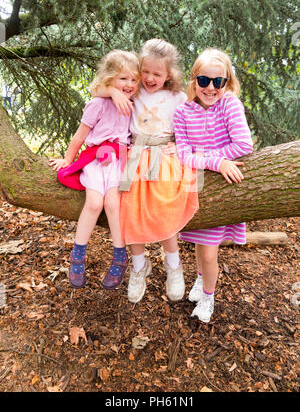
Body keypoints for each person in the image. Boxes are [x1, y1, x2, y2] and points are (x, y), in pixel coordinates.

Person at [92, 39, 199, 304]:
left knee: (164, 209)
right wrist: (113, 92)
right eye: (146, 72)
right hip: (134, 157)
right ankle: (139, 266)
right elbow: (97, 87)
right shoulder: (133, 91)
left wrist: (180, 145)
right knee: (128, 212)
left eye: (157, 73)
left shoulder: (178, 97)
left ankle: (173, 265)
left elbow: (193, 127)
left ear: (169, 74)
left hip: (164, 158)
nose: (150, 78)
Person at [173, 47, 253, 323]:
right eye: (203, 80)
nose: (210, 87)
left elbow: (244, 144)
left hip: (220, 191)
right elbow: (183, 155)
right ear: (194, 80)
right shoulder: (182, 112)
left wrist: (208, 160)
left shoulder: (230, 104)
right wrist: (216, 162)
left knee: (208, 252)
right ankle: (199, 280)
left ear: (227, 83)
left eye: (217, 82)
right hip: (196, 186)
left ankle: (208, 296)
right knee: (197, 242)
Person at [49, 50, 140, 290]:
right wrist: (67, 159)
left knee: (113, 204)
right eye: (123, 79)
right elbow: (80, 135)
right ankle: (78, 254)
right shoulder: (97, 104)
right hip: (96, 159)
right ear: (110, 79)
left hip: (120, 159)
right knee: (93, 204)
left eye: (133, 79)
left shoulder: (135, 103)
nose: (129, 85)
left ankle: (120, 256)